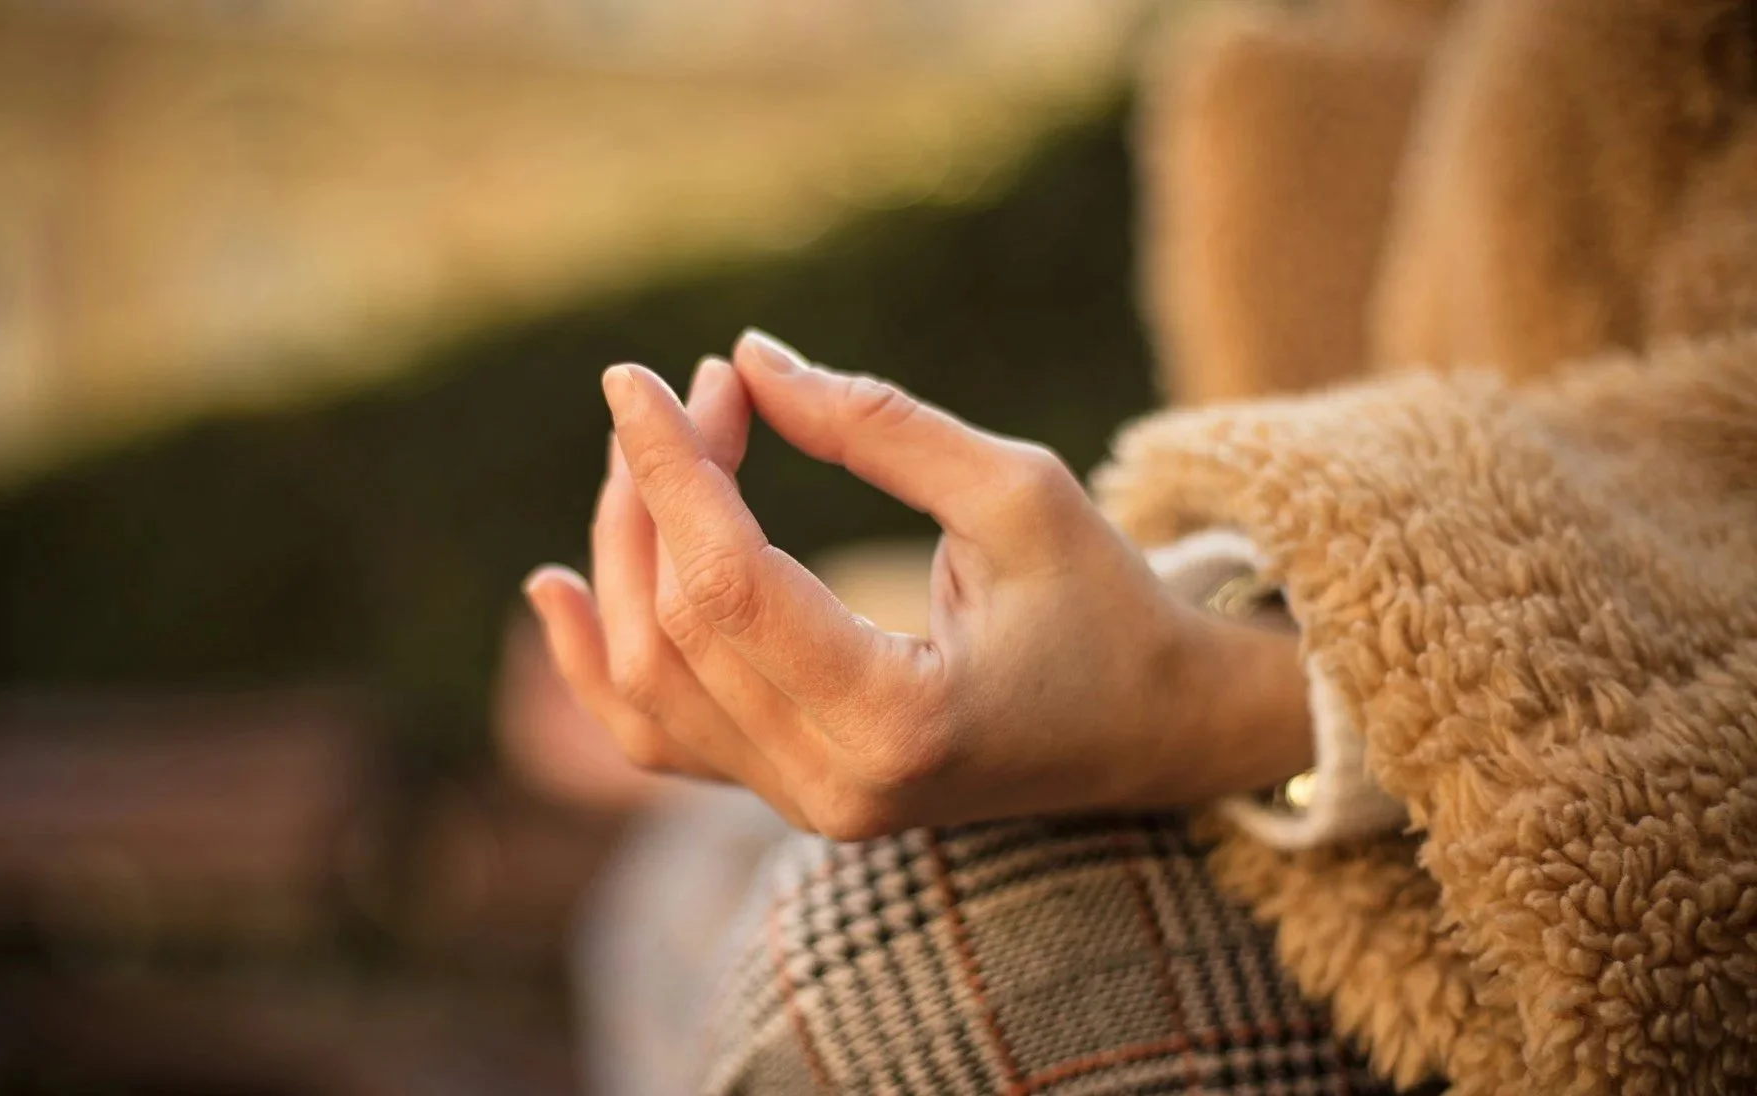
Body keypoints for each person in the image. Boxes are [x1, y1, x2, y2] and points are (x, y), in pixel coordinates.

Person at [527, 0, 1757, 1091]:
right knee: (679, 888)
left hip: (1586, 854)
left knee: (898, 971)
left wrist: (1208, 688)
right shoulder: (1356, 72)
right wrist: (859, 651)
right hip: (1377, 740)